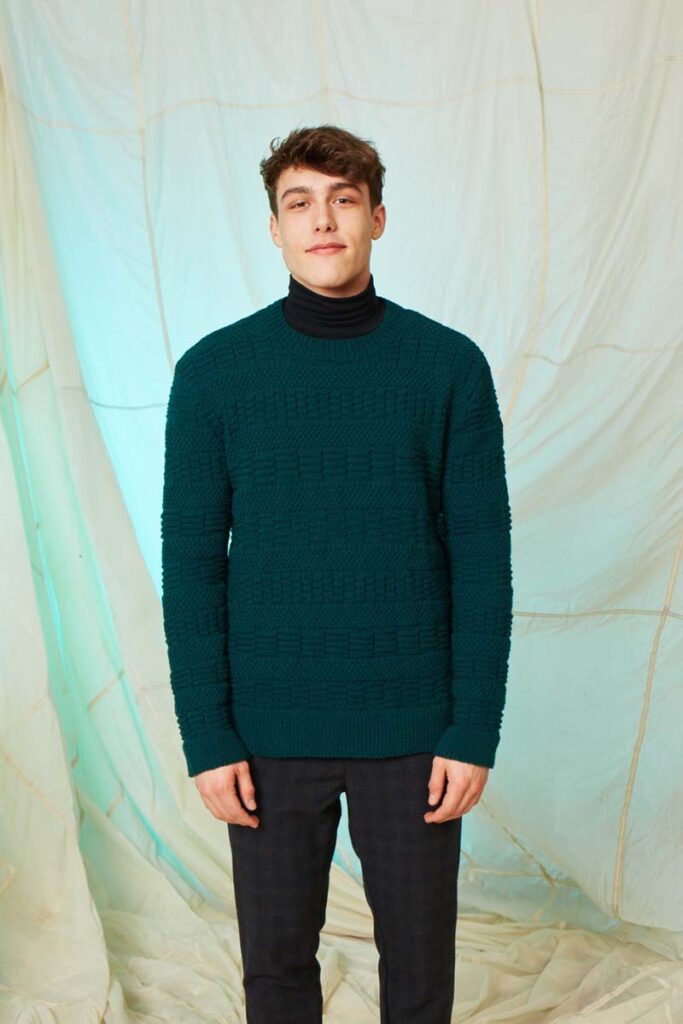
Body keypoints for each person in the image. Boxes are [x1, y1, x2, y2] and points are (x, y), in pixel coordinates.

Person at [161, 123, 513, 1024]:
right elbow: (191, 570)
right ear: (275, 228)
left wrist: (472, 731)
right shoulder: (213, 374)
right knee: (276, 969)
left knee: (419, 972)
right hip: (266, 735)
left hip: (416, 733)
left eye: (343, 200)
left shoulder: (448, 367)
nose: (322, 221)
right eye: (300, 204)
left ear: (377, 218)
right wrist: (208, 738)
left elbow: (483, 563)